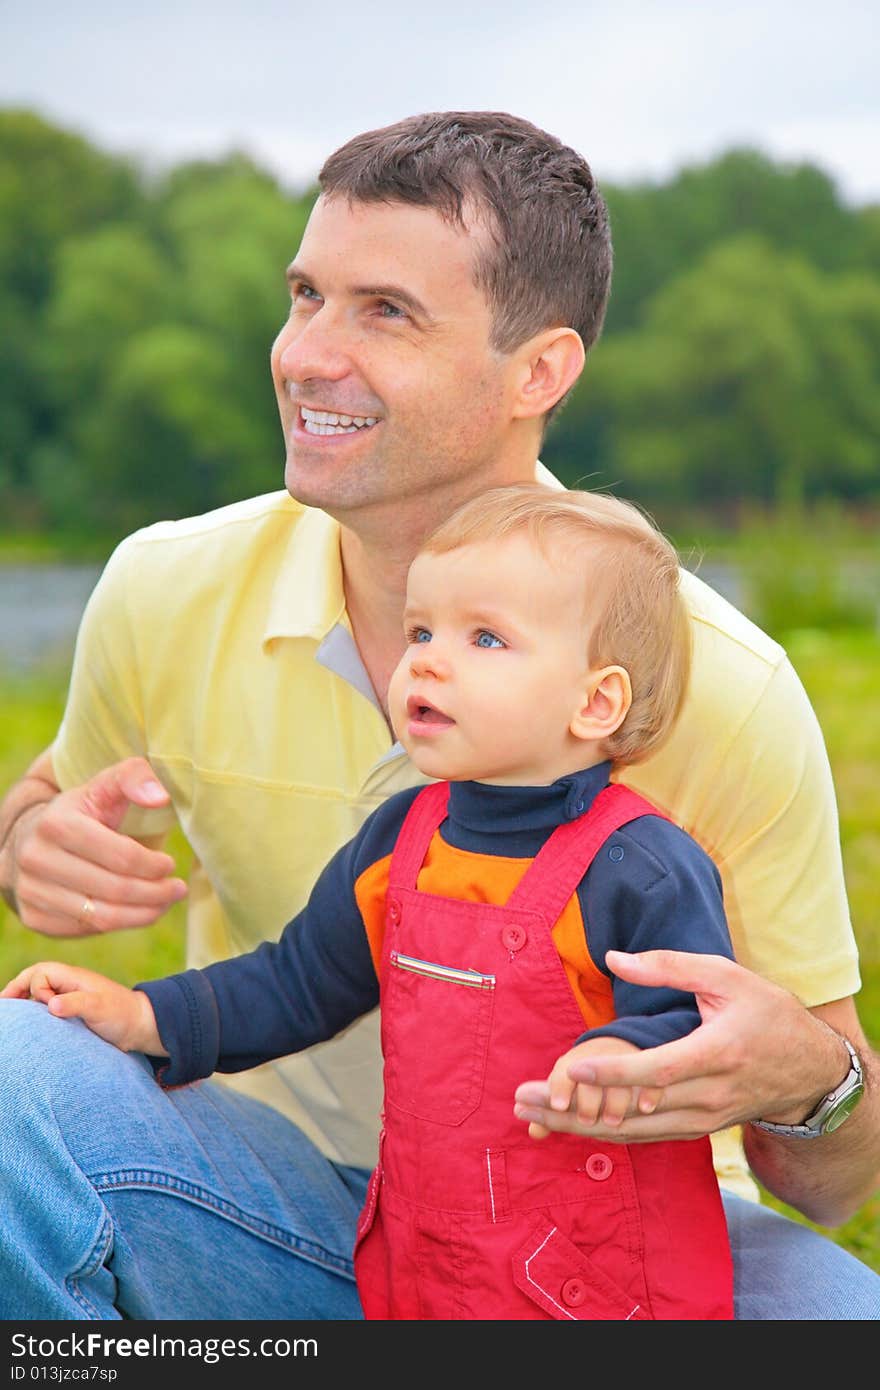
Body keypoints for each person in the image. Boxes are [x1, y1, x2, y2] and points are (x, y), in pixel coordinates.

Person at [0, 111, 876, 1321]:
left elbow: (831, 1184)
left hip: (610, 1239)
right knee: (12, 1076)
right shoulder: (164, 583)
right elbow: (54, 808)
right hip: (279, 1205)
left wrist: (812, 1083)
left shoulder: (718, 679)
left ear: (540, 372)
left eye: (385, 312)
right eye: (306, 295)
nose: (307, 353)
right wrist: (28, 846)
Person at [4, 484, 738, 1320]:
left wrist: (619, 1059)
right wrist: (144, 1016)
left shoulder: (640, 869)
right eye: (421, 631)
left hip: (594, 1270)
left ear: (595, 702)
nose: (425, 659)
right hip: (426, 1252)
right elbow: (296, 984)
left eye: (485, 637)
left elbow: (694, 1022)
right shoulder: (404, 841)